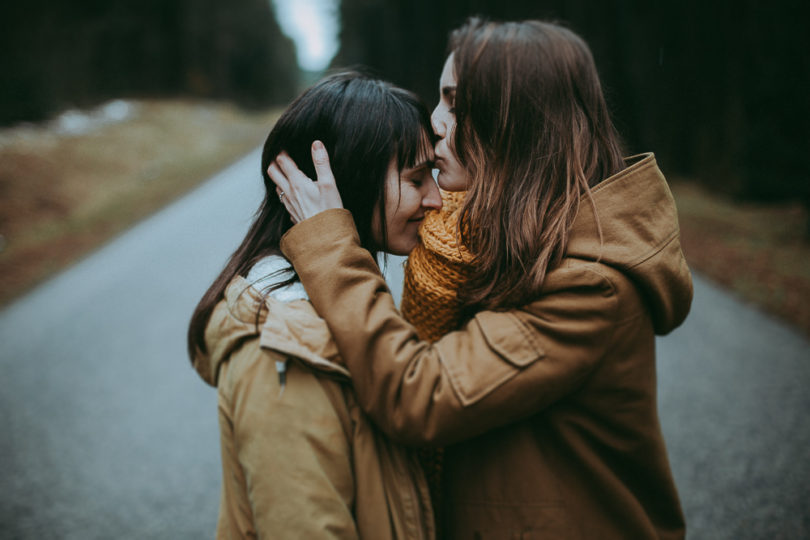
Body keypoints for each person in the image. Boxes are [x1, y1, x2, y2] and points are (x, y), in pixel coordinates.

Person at [267, 16, 693, 539]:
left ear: (518, 121)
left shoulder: (592, 283)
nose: (435, 122)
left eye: (454, 102)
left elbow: (418, 394)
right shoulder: (494, 237)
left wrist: (332, 249)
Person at [187, 71, 442, 539]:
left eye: (435, 175)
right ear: (346, 181)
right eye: (416, 178)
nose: (437, 198)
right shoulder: (286, 349)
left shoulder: (332, 301)